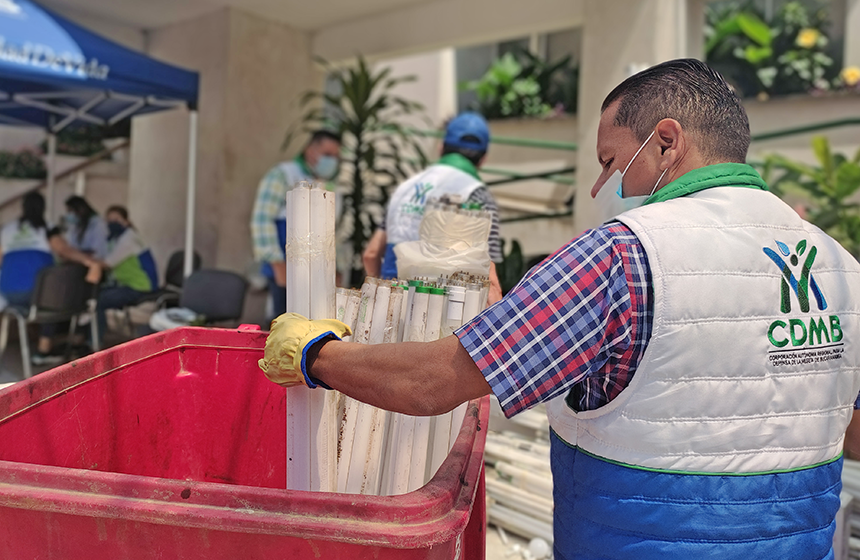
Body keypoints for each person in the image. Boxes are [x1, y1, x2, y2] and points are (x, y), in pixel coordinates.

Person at [259, 59, 860, 559]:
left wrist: (317, 354)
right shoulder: (842, 268)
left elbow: (433, 383)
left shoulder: (620, 256)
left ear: (668, 141)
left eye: (610, 160)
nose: (607, 186)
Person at [362, 112, 503, 303]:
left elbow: (370, 254)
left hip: (391, 306)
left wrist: (382, 296)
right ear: (483, 159)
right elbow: (490, 282)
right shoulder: (477, 195)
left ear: (441, 147)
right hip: (438, 314)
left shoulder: (406, 189)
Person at [251, 130, 342, 320]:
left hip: (316, 274)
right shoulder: (283, 174)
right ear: (310, 150)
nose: (332, 161)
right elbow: (261, 219)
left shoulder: (326, 184)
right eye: (327, 154)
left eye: (336, 156)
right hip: (284, 269)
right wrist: (278, 266)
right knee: (285, 325)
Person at [0, 192, 100, 364]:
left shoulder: (7, 229)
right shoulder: (46, 228)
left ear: (23, 207)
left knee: (48, 293)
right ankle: (44, 350)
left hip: (10, 293)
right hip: (39, 297)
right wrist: (90, 261)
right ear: (42, 208)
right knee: (55, 294)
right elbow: (64, 250)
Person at [91, 206, 157, 344]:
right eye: (109, 220)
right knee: (94, 294)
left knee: (98, 300)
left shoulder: (128, 239)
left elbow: (107, 263)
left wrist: (84, 260)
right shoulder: (117, 238)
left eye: (116, 219)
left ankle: (95, 343)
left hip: (139, 287)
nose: (112, 223)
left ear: (126, 221)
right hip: (126, 284)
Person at [64, 195, 109, 260]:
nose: (69, 214)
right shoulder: (75, 226)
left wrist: (77, 254)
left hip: (95, 261)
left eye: (70, 211)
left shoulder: (98, 224)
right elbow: (70, 245)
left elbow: (98, 250)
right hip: (78, 260)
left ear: (80, 209)